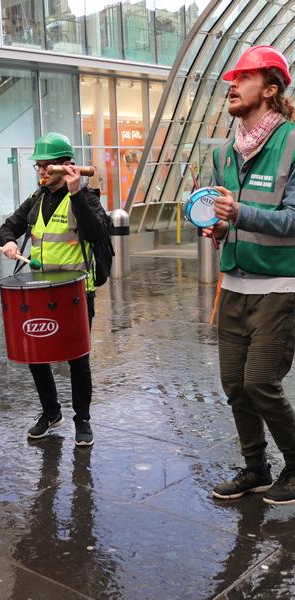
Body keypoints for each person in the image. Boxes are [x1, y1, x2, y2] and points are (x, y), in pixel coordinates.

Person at [203, 46, 295, 505]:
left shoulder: (293, 141)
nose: (232, 85)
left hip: (279, 288)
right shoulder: (224, 152)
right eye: (231, 78)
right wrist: (218, 226)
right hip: (234, 285)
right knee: (235, 386)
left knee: (261, 381)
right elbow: (222, 215)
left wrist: (240, 213)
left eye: (245, 77)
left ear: (272, 88)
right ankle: (256, 468)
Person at [0, 132, 106, 447]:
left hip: (74, 293)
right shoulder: (36, 200)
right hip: (40, 291)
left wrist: (75, 194)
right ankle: (50, 412)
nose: (42, 173)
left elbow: (95, 232)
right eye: (39, 167)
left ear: (66, 166)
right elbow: (9, 226)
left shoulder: (86, 198)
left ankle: (82, 420)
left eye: (48, 167)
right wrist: (7, 242)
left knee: (78, 359)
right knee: (36, 355)